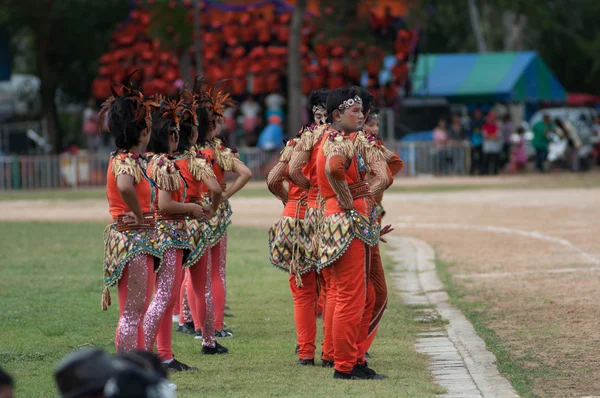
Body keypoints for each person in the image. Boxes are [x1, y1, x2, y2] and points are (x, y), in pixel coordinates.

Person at [315, 87, 384, 380]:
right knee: (350, 296)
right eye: (355, 111)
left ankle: (352, 360)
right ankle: (345, 365)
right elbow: (333, 169)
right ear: (337, 114)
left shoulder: (334, 139)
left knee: (357, 295)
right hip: (345, 220)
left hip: (343, 218)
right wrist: (347, 200)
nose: (361, 115)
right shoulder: (337, 143)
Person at [99, 75, 160, 352]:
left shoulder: (129, 158)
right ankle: (126, 374)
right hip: (132, 239)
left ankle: (136, 371)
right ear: (141, 130)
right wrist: (138, 213)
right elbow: (125, 186)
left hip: (138, 239)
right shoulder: (125, 160)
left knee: (136, 310)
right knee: (133, 312)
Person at [143, 98, 203, 372]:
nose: (176, 138)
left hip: (164, 233)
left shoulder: (149, 161)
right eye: (171, 133)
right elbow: (165, 204)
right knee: (163, 297)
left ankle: (164, 354)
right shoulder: (164, 164)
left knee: (164, 298)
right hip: (168, 232)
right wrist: (191, 207)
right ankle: (147, 355)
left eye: (177, 132)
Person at [195, 81, 252, 347]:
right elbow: (246, 173)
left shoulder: (188, 152)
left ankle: (195, 324)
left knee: (193, 273)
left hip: (192, 212)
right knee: (216, 272)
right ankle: (215, 326)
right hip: (215, 210)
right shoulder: (219, 152)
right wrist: (225, 195)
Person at [174, 82, 224, 355]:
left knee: (167, 288)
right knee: (200, 283)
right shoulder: (194, 160)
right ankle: (208, 340)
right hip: (194, 222)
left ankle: (162, 350)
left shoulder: (163, 160)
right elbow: (216, 188)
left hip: (167, 223)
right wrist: (212, 209)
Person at [287, 89, 332, 366]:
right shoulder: (343, 139)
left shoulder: (299, 139)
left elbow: (277, 176)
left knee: (302, 288)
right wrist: (317, 190)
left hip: (298, 216)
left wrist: (294, 198)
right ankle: (331, 352)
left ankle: (305, 352)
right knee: (331, 287)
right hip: (328, 215)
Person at [469, 109, 484, 175]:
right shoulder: (472, 122)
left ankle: (481, 171)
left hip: (481, 142)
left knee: (481, 158)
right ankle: (472, 171)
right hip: (473, 142)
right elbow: (469, 133)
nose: (477, 115)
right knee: (473, 158)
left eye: (479, 114)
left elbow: (483, 131)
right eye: (476, 113)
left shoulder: (482, 121)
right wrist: (471, 141)